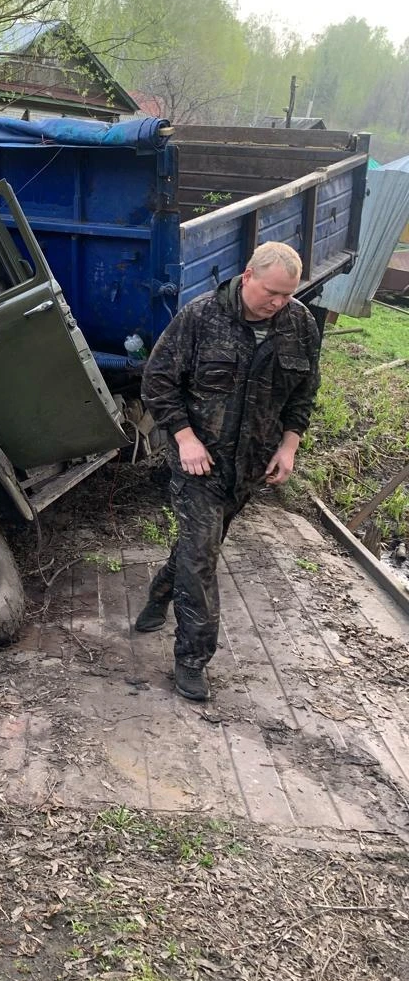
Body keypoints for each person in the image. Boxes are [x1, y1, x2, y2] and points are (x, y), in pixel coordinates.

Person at [136, 241, 321, 702]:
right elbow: (157, 381)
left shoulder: (299, 324)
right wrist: (184, 438)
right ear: (248, 276)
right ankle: (192, 661)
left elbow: (303, 394)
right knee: (201, 560)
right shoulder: (200, 317)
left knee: (199, 547)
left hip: (251, 468)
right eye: (272, 292)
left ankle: (160, 594)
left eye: (287, 294)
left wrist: (289, 446)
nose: (278, 303)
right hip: (199, 464)